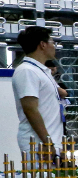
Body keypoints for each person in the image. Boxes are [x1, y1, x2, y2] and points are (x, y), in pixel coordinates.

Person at [12, 26, 64, 154]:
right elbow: (30, 109)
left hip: (50, 142)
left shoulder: (42, 71)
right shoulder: (27, 71)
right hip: (39, 144)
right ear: (42, 45)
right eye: (53, 42)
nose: (55, 46)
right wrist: (47, 142)